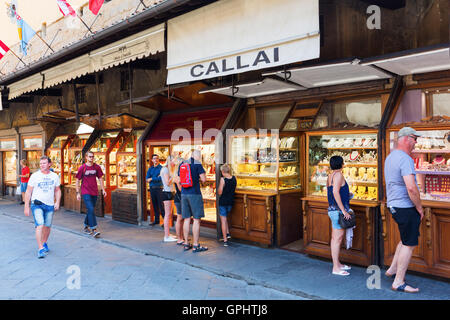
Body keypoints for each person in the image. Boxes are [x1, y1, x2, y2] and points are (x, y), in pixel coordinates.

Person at [384, 127, 423, 293]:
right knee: (409, 244)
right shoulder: (405, 159)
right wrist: (419, 207)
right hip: (405, 206)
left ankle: (392, 269)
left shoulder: (391, 156)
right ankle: (398, 281)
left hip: (394, 205)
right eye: (415, 139)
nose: (416, 143)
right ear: (406, 139)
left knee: (404, 239)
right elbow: (412, 188)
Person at [23, 156, 61, 258]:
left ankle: (44, 242)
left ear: (49, 164)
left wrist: (57, 202)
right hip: (37, 204)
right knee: (40, 225)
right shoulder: (35, 176)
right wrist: (26, 206)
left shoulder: (54, 176)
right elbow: (28, 191)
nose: (42, 165)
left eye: (44, 163)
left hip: (49, 205)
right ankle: (40, 248)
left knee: (47, 226)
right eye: (40, 164)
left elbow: (57, 190)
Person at [327, 155, 353, 276]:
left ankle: (337, 264)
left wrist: (347, 195)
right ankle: (335, 268)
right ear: (341, 164)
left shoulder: (330, 176)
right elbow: (335, 192)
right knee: (337, 239)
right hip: (338, 211)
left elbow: (333, 193)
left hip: (332, 210)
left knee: (335, 239)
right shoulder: (338, 175)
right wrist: (343, 210)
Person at [180, 149, 208, 253]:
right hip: (194, 193)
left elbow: (179, 179)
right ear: (197, 156)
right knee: (196, 219)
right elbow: (204, 179)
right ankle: (196, 245)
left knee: (186, 219)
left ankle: (186, 243)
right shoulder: (197, 164)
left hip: (184, 193)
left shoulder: (183, 163)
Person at [75, 151, 107, 238]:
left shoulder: (97, 167)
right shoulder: (82, 168)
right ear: (86, 157)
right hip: (85, 192)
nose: (91, 158)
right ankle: (94, 229)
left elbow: (100, 178)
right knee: (91, 208)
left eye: (92, 157)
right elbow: (77, 180)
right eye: (89, 157)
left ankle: (86, 226)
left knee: (90, 210)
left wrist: (103, 189)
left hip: (95, 192)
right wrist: (78, 192)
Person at [217, 164, 236, 247]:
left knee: (223, 220)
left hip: (223, 202)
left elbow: (220, 192)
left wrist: (218, 188)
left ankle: (225, 240)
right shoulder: (234, 178)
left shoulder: (223, 179)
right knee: (226, 218)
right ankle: (227, 233)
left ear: (223, 171)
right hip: (230, 202)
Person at [160, 156, 177, 242]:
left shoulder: (167, 169)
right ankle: (166, 236)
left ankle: (168, 234)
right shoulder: (166, 169)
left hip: (169, 192)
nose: (175, 163)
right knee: (167, 215)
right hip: (167, 193)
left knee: (169, 214)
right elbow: (167, 182)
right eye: (174, 161)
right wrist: (174, 175)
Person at [146, 154, 164, 226]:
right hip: (152, 189)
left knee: (161, 205)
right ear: (152, 160)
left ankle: (165, 222)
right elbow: (147, 179)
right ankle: (156, 220)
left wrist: (152, 179)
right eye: (154, 158)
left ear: (158, 159)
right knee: (154, 205)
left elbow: (161, 178)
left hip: (159, 189)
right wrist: (155, 178)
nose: (155, 160)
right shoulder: (150, 169)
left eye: (157, 158)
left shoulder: (161, 168)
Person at [171, 157, 185, 245]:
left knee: (182, 218)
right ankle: (179, 238)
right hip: (179, 198)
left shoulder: (177, 176)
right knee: (180, 218)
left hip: (179, 198)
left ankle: (182, 236)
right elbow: (180, 189)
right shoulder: (177, 177)